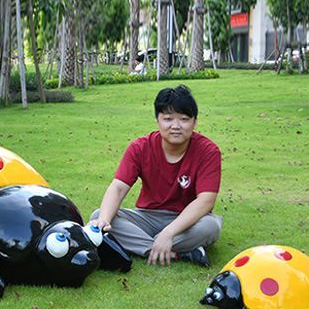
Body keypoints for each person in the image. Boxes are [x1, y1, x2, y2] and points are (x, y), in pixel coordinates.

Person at [90, 84, 222, 267]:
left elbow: (206, 201)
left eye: (184, 119)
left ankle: (145, 244)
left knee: (211, 227)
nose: (175, 126)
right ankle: (178, 254)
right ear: (158, 121)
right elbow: (118, 187)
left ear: (195, 122)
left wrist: (169, 233)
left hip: (188, 219)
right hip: (147, 217)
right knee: (98, 216)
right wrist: (104, 219)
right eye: (168, 119)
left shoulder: (208, 151)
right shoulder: (140, 147)